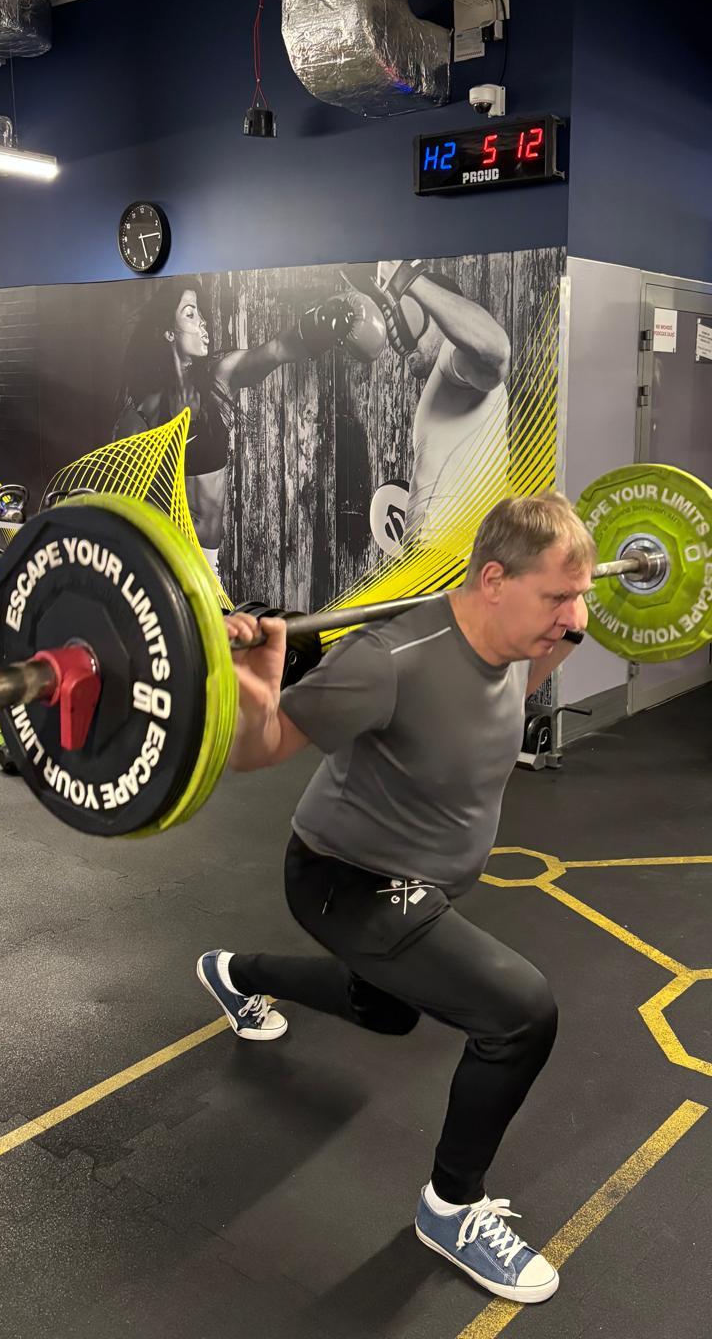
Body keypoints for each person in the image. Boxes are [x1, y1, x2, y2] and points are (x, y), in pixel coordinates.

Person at [196, 490, 594, 1303]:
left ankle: (234, 973)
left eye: (580, 593)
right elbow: (256, 753)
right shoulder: (388, 660)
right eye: (558, 595)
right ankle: (451, 1207)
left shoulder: (521, 639)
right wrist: (256, 691)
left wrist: (567, 621)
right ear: (493, 579)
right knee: (518, 1013)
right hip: (346, 877)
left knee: (382, 1009)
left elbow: (508, 686)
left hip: (424, 882)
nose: (574, 614)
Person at [114, 280, 385, 577]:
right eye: (190, 314)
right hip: (167, 556)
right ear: (169, 332)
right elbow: (131, 509)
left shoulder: (218, 380)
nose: (203, 321)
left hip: (206, 559)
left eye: (201, 313)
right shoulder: (144, 413)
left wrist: (318, 325)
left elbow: (276, 349)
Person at [345, 260, 511, 542]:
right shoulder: (449, 383)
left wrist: (406, 277)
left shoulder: (452, 358)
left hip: (448, 555)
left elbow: (497, 351)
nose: (397, 331)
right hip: (448, 556)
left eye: (406, 313)